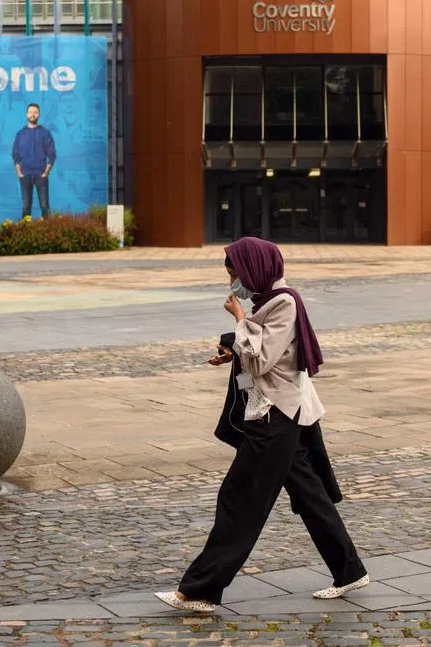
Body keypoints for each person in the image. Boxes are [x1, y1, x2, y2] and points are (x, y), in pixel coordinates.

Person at [155, 237, 368, 613]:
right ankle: (349, 570)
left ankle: (200, 590)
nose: (232, 283)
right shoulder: (268, 302)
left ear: (255, 269)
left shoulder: (284, 303)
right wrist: (230, 351)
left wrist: (238, 321)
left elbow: (261, 360)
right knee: (310, 495)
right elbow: (265, 352)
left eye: (235, 274)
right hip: (281, 412)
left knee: (241, 499)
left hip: (276, 416)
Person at [12, 103, 56, 219]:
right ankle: (25, 233)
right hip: (25, 175)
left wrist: (46, 173)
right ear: (26, 114)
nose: (33, 114)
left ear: (39, 114)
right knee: (26, 206)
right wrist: (19, 172)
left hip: (41, 175)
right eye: (30, 112)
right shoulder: (20, 134)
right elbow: (15, 154)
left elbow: (52, 154)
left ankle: (49, 233)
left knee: (44, 206)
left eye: (35, 112)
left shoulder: (45, 133)